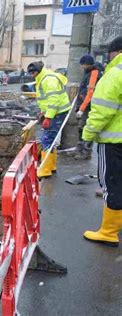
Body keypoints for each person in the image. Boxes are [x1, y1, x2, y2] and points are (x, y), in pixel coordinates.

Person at [82, 36, 122, 247]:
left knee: (112, 183)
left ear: (115, 52)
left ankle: (108, 232)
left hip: (115, 142)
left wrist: (87, 135)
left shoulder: (115, 74)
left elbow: (102, 111)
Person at [27, 61, 71, 178]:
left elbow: (53, 100)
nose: (32, 75)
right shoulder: (43, 78)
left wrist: (48, 117)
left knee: (46, 140)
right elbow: (46, 99)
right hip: (55, 112)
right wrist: (43, 111)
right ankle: (51, 166)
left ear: (38, 71)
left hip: (56, 113)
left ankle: (45, 170)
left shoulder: (48, 80)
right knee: (51, 139)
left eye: (33, 73)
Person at [71, 54, 104, 160]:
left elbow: (90, 93)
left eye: (83, 65)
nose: (82, 67)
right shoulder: (88, 72)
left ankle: (86, 152)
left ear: (87, 64)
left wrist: (81, 109)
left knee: (86, 128)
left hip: (89, 106)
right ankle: (80, 149)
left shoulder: (94, 73)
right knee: (81, 128)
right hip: (85, 105)